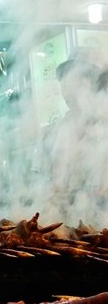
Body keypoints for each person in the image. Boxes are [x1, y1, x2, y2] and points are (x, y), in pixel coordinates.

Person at [32, 45, 108, 229]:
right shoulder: (49, 134)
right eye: (65, 79)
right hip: (61, 231)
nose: (68, 85)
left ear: (98, 85)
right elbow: (36, 187)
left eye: (81, 78)